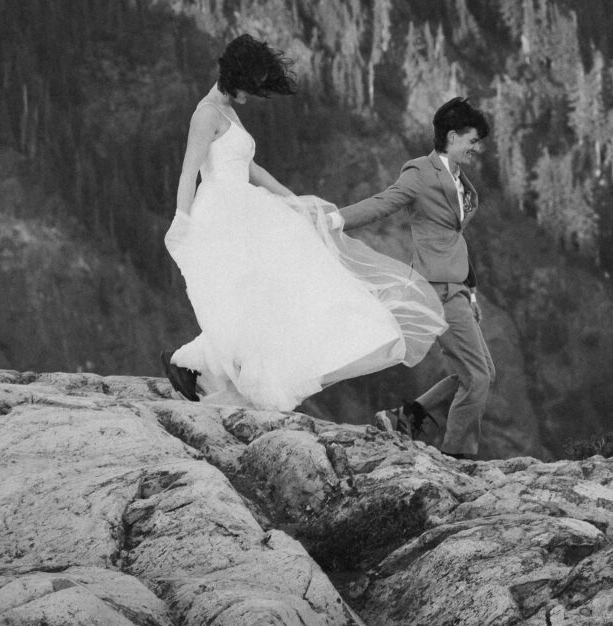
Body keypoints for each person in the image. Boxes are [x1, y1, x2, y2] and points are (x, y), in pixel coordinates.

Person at [163, 34, 445, 413]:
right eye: (250, 86)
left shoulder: (227, 110)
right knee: (246, 295)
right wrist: (181, 220)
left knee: (261, 295)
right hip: (222, 213)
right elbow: (189, 171)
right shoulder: (206, 113)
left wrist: (292, 201)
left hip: (243, 207)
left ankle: (193, 366)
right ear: (234, 77)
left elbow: (250, 167)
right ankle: (189, 363)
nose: (252, 94)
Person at [334, 96, 495, 458]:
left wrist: (471, 291)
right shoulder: (421, 173)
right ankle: (457, 455)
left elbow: (455, 238)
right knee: (478, 377)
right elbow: (383, 202)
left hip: (456, 288)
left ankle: (405, 416)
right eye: (473, 140)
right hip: (436, 289)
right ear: (452, 136)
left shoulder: (459, 179)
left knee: (480, 372)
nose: (477, 148)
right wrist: (333, 219)